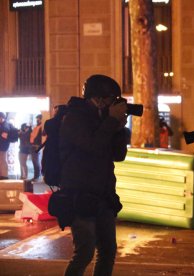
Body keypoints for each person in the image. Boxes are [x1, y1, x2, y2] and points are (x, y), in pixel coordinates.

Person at [59, 74, 128, 276]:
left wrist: (118, 129)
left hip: (104, 196)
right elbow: (92, 146)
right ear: (97, 99)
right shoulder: (74, 118)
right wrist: (111, 122)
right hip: (80, 196)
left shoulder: (104, 120)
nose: (112, 105)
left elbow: (118, 155)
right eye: (110, 100)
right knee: (85, 253)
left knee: (108, 251)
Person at [30, 114, 43, 181]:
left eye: (38, 118)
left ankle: (37, 176)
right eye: (37, 119)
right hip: (33, 145)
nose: (37, 120)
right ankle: (36, 176)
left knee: (36, 162)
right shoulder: (37, 126)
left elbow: (40, 136)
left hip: (37, 146)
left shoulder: (41, 126)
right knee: (34, 162)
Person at [0, 112, 11, 179]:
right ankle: (2, 175)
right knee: (2, 161)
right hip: (2, 146)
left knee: (3, 161)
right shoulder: (3, 124)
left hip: (3, 147)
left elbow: (4, 135)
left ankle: (4, 176)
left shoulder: (5, 125)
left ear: (1, 118)